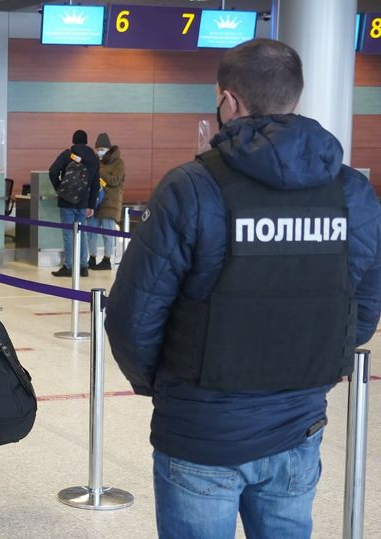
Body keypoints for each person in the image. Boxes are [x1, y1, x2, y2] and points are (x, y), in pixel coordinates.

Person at [106, 39, 381, 539]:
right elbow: (361, 311)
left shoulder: (191, 187)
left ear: (228, 101)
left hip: (201, 432)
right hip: (298, 425)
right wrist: (312, 374)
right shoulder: (352, 193)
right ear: (295, 97)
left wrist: (165, 386)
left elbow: (133, 316)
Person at [48, 129, 100, 278]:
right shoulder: (93, 159)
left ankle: (69, 266)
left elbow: (52, 171)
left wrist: (59, 188)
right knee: (81, 233)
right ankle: (83, 266)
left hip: (67, 201)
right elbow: (95, 184)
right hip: (83, 202)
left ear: (73, 140)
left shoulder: (67, 155)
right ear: (86, 141)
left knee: (68, 233)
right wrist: (91, 205)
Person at [86, 133, 125, 271]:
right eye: (97, 149)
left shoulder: (118, 162)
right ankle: (92, 258)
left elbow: (115, 180)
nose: (99, 152)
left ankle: (107, 259)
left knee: (107, 233)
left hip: (110, 203)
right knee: (91, 232)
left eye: (101, 149)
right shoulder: (97, 161)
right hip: (96, 202)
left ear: (108, 149)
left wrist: (100, 172)